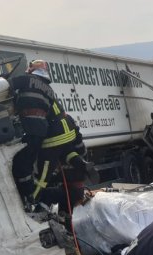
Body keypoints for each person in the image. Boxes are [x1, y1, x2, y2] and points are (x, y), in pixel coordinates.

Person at [9, 59, 93, 209]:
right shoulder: (48, 90)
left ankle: (32, 200)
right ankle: (81, 163)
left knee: (44, 173)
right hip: (67, 131)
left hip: (53, 136)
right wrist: (81, 154)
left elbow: (9, 86)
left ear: (31, 70)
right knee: (66, 152)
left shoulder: (27, 81)